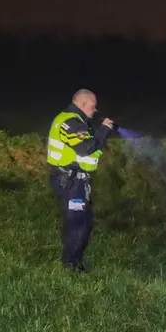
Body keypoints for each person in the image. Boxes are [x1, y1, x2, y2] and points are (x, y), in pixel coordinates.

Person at [46, 89, 114, 271]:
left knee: (82, 220)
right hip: (70, 181)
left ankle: (73, 259)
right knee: (79, 222)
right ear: (83, 104)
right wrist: (104, 130)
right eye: (93, 106)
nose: (95, 110)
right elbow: (86, 148)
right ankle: (70, 264)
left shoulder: (72, 120)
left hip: (73, 179)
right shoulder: (71, 122)